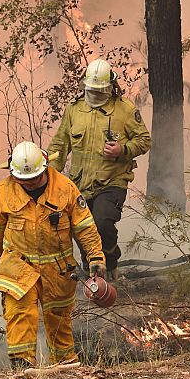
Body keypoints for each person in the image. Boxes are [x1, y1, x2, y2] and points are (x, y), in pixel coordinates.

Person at [0, 141, 106, 370]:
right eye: (24, 180)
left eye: (34, 179)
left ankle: (64, 365)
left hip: (58, 269)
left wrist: (96, 258)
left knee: (58, 318)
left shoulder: (66, 189)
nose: (29, 184)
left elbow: (85, 227)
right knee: (19, 312)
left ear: (46, 167)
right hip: (18, 265)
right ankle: (23, 367)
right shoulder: (5, 192)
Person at [47, 58, 151, 280]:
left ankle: (111, 262)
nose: (94, 96)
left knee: (102, 222)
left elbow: (144, 140)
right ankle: (92, 273)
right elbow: (59, 145)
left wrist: (122, 150)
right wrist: (50, 176)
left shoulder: (125, 110)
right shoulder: (74, 110)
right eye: (91, 91)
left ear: (110, 87)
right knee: (81, 229)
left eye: (99, 92)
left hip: (112, 181)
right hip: (79, 184)